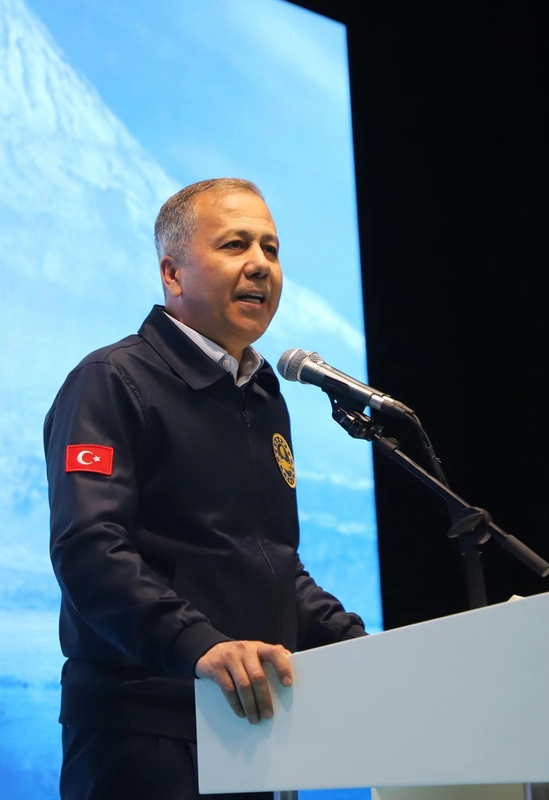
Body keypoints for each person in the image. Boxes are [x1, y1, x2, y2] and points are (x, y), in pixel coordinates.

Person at [43, 178, 367, 800]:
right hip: (144, 737)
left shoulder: (263, 396)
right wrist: (200, 646)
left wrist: (360, 646)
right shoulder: (112, 381)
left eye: (271, 248)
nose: (260, 264)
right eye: (236, 245)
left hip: (253, 728)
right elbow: (90, 548)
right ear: (172, 273)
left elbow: (268, 564)